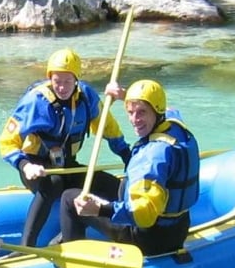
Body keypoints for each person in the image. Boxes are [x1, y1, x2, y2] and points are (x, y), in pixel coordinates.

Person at [0, 47, 131, 246]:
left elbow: (108, 127)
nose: (62, 87)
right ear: (49, 78)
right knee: (54, 183)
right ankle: (27, 245)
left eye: (68, 81)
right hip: (36, 168)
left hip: (68, 164)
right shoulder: (35, 102)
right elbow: (6, 142)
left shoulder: (86, 97)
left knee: (111, 185)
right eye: (57, 81)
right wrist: (25, 165)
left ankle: (127, 228)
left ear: (76, 79)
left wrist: (126, 155)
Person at [59, 79, 199, 258]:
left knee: (69, 198)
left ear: (157, 111)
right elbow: (169, 108)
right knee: (109, 185)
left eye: (141, 113)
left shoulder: (152, 157)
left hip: (147, 240)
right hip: (179, 229)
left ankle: (73, 264)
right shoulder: (176, 125)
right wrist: (125, 95)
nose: (134, 120)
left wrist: (100, 210)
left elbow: (145, 215)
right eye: (131, 112)